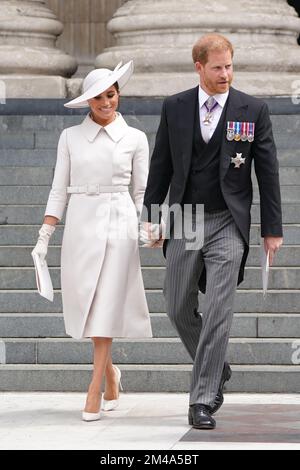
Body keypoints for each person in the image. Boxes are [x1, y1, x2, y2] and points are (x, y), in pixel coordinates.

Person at [140, 34, 283, 430]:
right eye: (218, 67)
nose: (226, 74)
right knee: (176, 305)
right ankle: (217, 367)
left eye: (230, 66)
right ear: (199, 67)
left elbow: (267, 172)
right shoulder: (175, 107)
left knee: (219, 308)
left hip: (227, 221)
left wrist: (272, 229)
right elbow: (161, 165)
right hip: (185, 217)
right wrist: (151, 217)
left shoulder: (253, 109)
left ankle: (202, 399)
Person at [32, 61, 152, 422]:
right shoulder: (69, 137)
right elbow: (58, 188)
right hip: (82, 223)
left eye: (111, 95)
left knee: (107, 306)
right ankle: (112, 375)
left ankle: (95, 386)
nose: (106, 102)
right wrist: (44, 236)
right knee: (89, 302)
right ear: (87, 101)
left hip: (120, 224)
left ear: (119, 95)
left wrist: (146, 227)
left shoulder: (136, 138)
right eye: (98, 97)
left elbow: (142, 190)